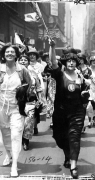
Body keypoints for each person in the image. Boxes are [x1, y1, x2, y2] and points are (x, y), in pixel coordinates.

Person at [49, 40, 89, 179]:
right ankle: (67, 155)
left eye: (74, 61)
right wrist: (52, 47)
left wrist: (85, 94)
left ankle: (73, 165)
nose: (71, 63)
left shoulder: (81, 76)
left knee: (74, 138)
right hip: (61, 112)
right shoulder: (59, 75)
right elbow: (53, 62)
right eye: (69, 61)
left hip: (77, 112)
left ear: (76, 63)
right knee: (61, 138)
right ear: (65, 62)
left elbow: (85, 92)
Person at [0, 43, 32, 177]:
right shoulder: (0, 69)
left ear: (16, 55)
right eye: (7, 52)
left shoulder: (22, 70)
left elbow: (30, 83)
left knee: (15, 135)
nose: (9, 54)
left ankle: (14, 166)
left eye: (12, 52)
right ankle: (8, 154)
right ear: (3, 54)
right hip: (1, 107)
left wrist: (23, 92)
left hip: (17, 108)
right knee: (5, 135)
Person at [18, 54, 43, 151]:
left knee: (29, 122)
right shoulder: (15, 73)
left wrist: (40, 99)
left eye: (25, 60)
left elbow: (38, 87)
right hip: (17, 102)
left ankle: (25, 141)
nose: (23, 61)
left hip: (30, 102)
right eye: (21, 60)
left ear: (28, 62)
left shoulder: (33, 73)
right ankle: (19, 139)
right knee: (19, 123)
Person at [27, 47, 45, 135]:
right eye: (30, 55)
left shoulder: (41, 66)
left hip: (38, 89)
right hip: (28, 90)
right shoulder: (25, 65)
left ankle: (35, 126)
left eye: (34, 55)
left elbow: (44, 78)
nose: (32, 57)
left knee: (36, 109)